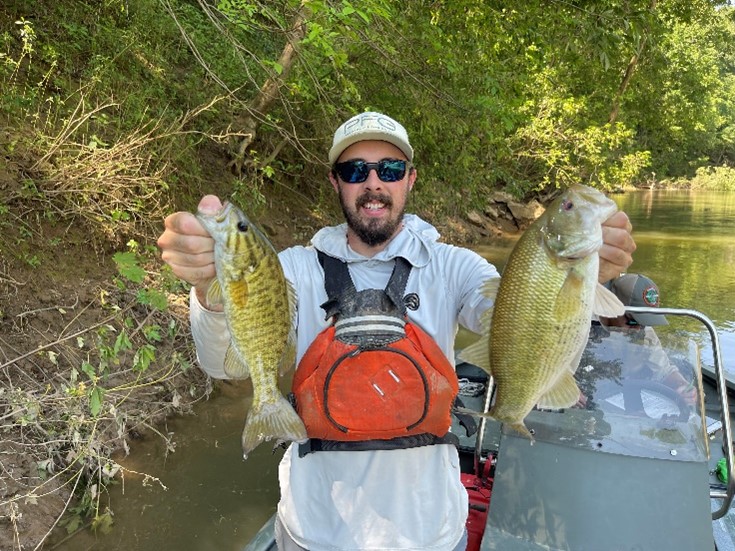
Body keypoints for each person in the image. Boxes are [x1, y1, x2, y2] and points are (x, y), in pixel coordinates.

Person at [157, 111, 636, 550]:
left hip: (429, 531)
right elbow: (221, 364)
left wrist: (583, 279)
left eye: (388, 170)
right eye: (354, 171)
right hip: (313, 531)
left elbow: (522, 325)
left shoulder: (456, 268)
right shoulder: (291, 269)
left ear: (409, 179)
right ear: (335, 181)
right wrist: (207, 292)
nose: (372, 184)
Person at [599, 273, 697, 404]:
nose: (639, 328)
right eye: (634, 320)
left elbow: (664, 371)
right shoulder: (580, 325)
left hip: (622, 396)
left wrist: (683, 386)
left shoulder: (644, 332)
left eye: (644, 322)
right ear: (612, 308)